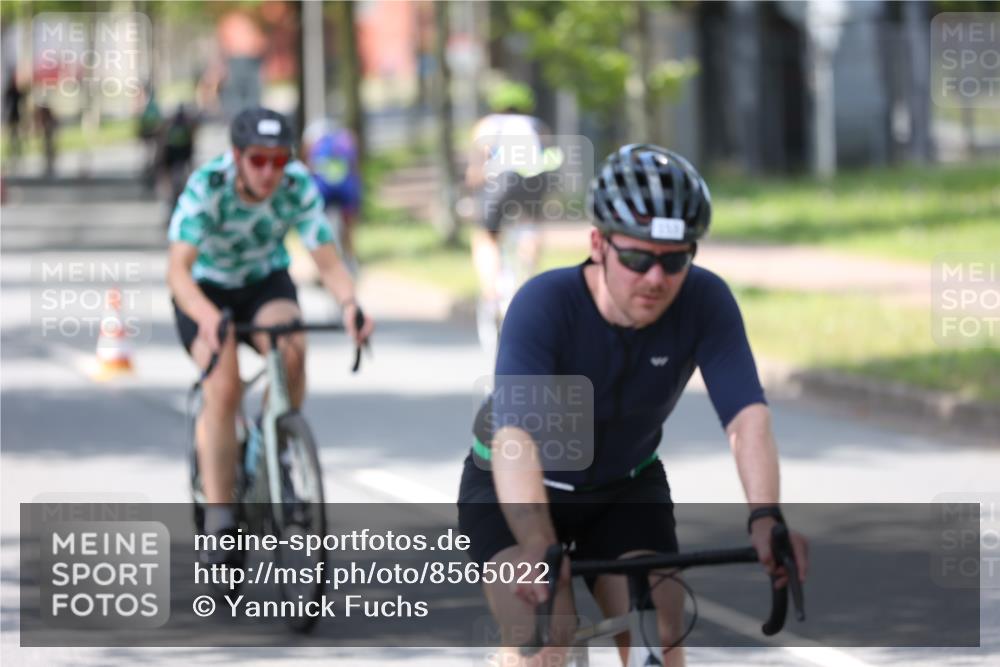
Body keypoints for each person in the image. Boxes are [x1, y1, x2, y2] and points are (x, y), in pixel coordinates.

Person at [457, 145, 809, 666]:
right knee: (545, 639)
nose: (655, 278)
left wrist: (765, 515)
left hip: (624, 490)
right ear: (598, 243)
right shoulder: (546, 305)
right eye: (637, 258)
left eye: (675, 261)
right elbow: (516, 440)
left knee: (660, 633)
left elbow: (747, 418)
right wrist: (536, 543)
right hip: (513, 488)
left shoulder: (705, 302)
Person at [166, 107, 373, 560]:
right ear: (237, 156)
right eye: (259, 160)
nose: (270, 171)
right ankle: (221, 520)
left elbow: (327, 259)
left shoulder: (297, 184)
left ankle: (276, 438)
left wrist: (350, 304)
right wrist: (203, 313)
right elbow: (178, 271)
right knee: (223, 382)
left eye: (279, 161)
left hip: (262, 281)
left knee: (292, 344)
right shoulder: (209, 185)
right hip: (205, 288)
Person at [465, 82, 553, 348]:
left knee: (486, 237)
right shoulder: (536, 124)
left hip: (501, 181)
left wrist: (471, 191)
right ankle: (527, 276)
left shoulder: (487, 124)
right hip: (534, 181)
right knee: (530, 227)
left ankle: (492, 294)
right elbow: (547, 158)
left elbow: (476, 168)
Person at [301, 118, 363, 275]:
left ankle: (323, 267)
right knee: (348, 229)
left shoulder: (314, 145)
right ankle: (351, 259)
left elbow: (307, 167)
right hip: (347, 193)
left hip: (324, 194)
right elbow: (354, 168)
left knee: (319, 230)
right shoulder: (344, 142)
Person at [159, 104, 197, 225]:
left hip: (173, 156)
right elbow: (191, 145)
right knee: (176, 187)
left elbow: (163, 145)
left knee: (169, 188)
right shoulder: (187, 124)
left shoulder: (170, 125)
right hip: (180, 156)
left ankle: (171, 213)